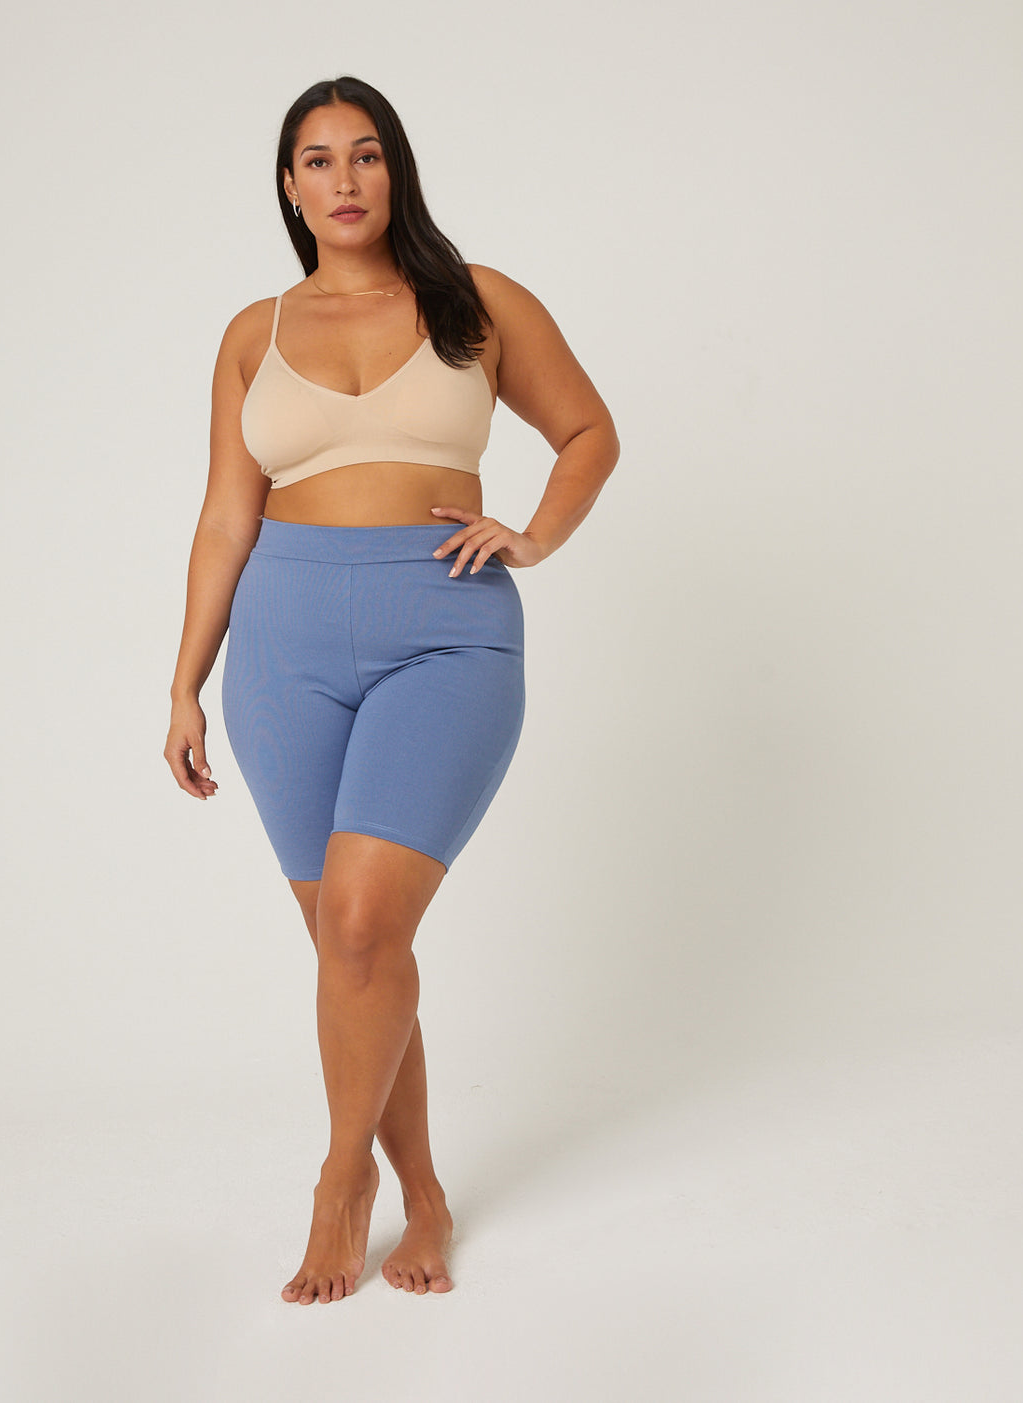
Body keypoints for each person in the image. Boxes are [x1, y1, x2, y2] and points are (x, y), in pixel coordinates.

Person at [164, 75, 619, 1305]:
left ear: (395, 168)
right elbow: (224, 516)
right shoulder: (253, 332)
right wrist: (185, 679)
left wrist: (533, 534)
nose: (345, 179)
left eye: (365, 154)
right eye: (317, 160)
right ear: (289, 185)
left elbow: (588, 433)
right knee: (350, 950)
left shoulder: (477, 300)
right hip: (282, 646)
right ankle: (421, 1190)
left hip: (445, 635)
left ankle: (338, 1179)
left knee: (364, 927)